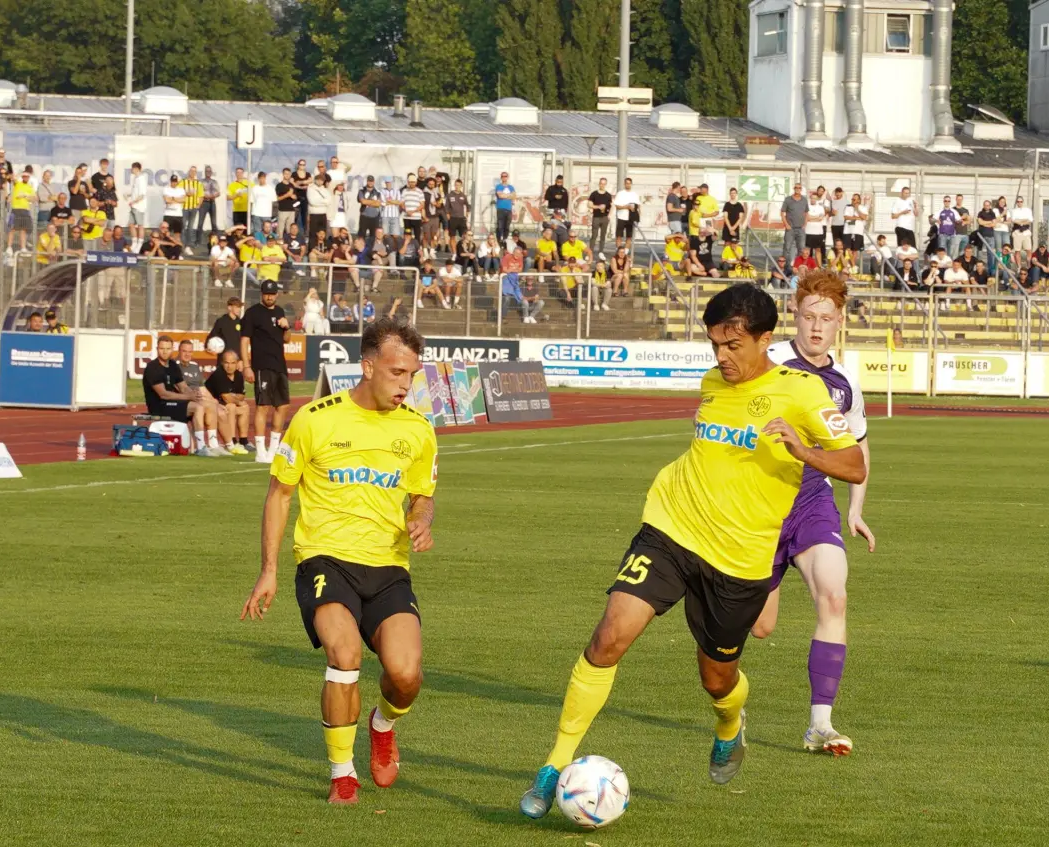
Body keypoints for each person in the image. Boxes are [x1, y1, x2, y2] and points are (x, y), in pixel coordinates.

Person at [519, 283, 866, 819]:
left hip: (740, 560)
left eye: (734, 346)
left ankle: (729, 724)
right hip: (671, 527)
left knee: (717, 678)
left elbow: (854, 465)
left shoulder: (803, 392)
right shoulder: (711, 381)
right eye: (714, 345)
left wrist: (803, 450)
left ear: (765, 340)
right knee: (610, 635)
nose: (722, 357)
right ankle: (553, 764)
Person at [240, 319, 438, 806]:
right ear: (367, 367)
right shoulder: (314, 418)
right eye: (396, 373)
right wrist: (268, 570)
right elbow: (280, 494)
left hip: (389, 568)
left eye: (411, 375)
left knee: (406, 674)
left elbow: (424, 495)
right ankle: (343, 774)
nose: (404, 385)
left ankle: (382, 725)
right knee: (344, 654)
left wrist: (422, 518)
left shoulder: (418, 428)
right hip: (324, 560)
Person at [742, 271, 873, 754]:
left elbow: (857, 448)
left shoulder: (844, 384)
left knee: (835, 597)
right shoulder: (767, 365)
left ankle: (821, 724)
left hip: (813, 503)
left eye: (827, 319)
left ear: (839, 322)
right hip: (758, 505)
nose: (816, 327)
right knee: (760, 626)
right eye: (809, 316)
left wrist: (856, 510)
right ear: (794, 316)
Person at [143, 336, 225, 456]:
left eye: (168, 348)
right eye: (162, 348)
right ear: (157, 349)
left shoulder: (172, 365)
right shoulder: (152, 368)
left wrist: (193, 394)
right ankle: (201, 447)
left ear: (172, 349)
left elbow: (183, 387)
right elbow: (163, 394)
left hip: (173, 403)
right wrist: (188, 397)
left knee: (209, 405)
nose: (165, 351)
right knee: (198, 407)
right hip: (159, 406)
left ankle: (213, 445)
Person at [242, 279, 292, 464]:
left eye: (272, 293)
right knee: (263, 406)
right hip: (262, 365)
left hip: (280, 364)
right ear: (262, 294)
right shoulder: (252, 313)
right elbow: (244, 340)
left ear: (277, 294)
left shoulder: (279, 311)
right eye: (266, 293)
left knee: (283, 406)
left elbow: (286, 339)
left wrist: (287, 327)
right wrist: (247, 366)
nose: (269, 296)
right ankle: (260, 450)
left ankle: (273, 449)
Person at [206, 349, 252, 454]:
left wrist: (235, 399)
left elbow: (241, 395)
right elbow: (226, 398)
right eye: (226, 363)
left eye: (232, 363)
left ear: (237, 364)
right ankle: (232, 441)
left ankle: (243, 441)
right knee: (231, 406)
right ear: (222, 363)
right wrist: (237, 400)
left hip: (223, 406)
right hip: (212, 406)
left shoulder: (239, 375)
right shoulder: (219, 374)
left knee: (245, 408)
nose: (229, 366)